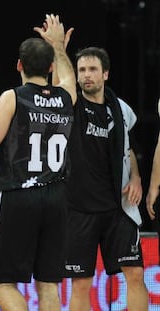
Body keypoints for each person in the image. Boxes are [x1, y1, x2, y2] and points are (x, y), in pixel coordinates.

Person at [0, 14, 77, 311]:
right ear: (49, 68)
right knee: (48, 285)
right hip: (57, 198)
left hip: (19, 195)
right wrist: (58, 45)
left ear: (19, 65)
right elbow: (69, 76)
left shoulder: (12, 97)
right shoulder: (66, 96)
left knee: (3, 281)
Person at [62, 46, 149, 309]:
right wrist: (57, 47)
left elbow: (129, 150)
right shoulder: (71, 104)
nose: (86, 75)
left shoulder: (120, 109)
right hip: (79, 209)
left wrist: (136, 178)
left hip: (117, 208)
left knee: (135, 274)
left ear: (105, 74)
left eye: (92, 69)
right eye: (82, 70)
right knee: (80, 283)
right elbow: (62, 79)